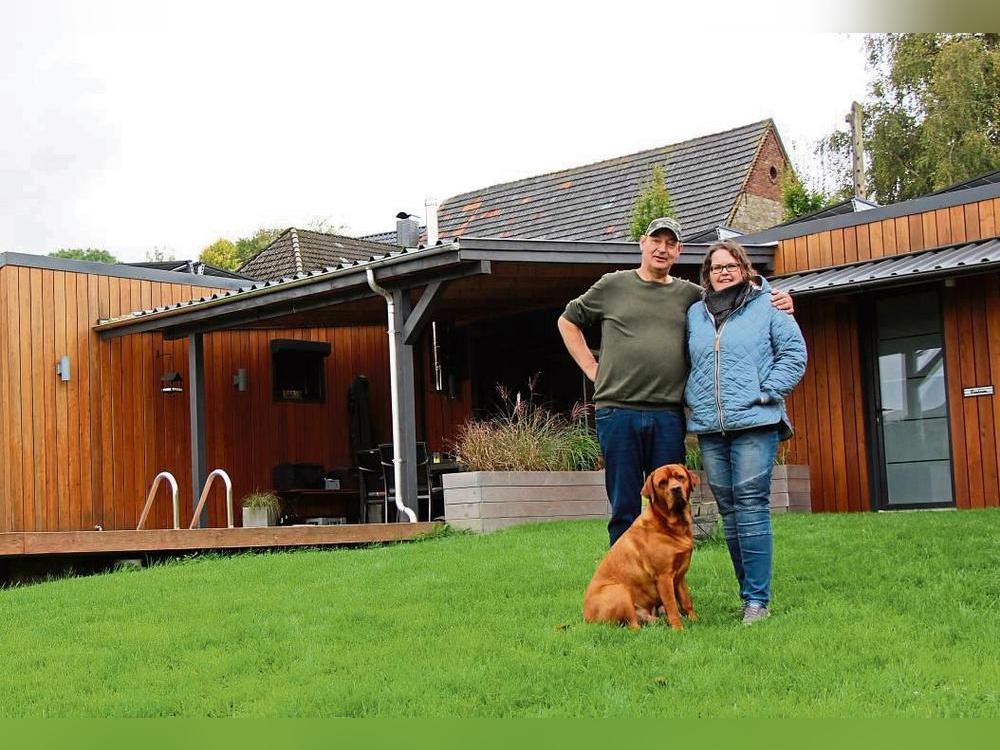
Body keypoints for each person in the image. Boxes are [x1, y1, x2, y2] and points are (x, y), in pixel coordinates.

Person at [557, 218, 794, 547]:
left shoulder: (691, 295)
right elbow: (568, 321)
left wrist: (777, 300)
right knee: (624, 505)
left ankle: (669, 582)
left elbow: (736, 298)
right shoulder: (612, 285)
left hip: (668, 415)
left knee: (671, 504)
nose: (662, 248)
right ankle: (630, 586)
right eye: (657, 240)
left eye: (670, 244)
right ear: (643, 243)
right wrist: (591, 367)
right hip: (617, 411)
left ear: (679, 251)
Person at [684, 239, 807, 625]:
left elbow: (794, 355)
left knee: (751, 507)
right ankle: (747, 595)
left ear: (744, 268)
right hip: (710, 425)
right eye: (716, 267)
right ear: (707, 276)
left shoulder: (769, 306)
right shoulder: (695, 313)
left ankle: (757, 601)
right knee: (730, 513)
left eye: (730, 265)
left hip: (756, 422)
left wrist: (766, 390)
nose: (723, 272)